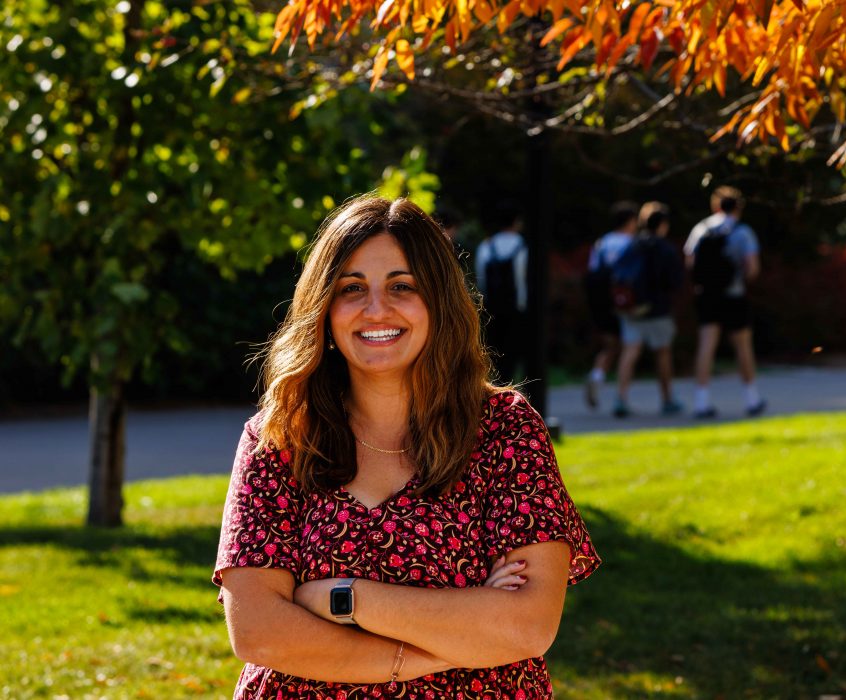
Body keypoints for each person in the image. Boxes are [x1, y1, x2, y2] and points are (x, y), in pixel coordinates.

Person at [213, 196, 599, 699]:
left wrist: (343, 598)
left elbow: (525, 627)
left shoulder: (504, 430)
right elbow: (258, 631)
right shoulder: (281, 437)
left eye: (402, 286)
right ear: (323, 310)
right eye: (352, 288)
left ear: (438, 300)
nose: (377, 309)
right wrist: (440, 647)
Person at [683, 185, 766, 419]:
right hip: (734, 295)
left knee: (706, 346)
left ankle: (701, 402)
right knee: (742, 346)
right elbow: (752, 267)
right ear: (738, 208)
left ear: (716, 206)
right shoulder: (742, 231)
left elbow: (690, 263)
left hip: (707, 296)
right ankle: (751, 399)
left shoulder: (701, 229)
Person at [612, 201, 684, 418]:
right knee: (662, 353)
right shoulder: (665, 249)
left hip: (631, 307)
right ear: (663, 224)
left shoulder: (632, 245)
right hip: (657, 310)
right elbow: (675, 282)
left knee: (630, 351)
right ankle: (667, 399)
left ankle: (621, 398)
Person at [584, 201, 638, 409]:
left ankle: (597, 375)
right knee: (629, 345)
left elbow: (592, 271)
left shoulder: (602, 243)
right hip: (624, 301)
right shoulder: (631, 243)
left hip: (601, 301)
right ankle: (621, 396)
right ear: (631, 221)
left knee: (610, 345)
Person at [474, 201, 528, 383]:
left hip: (492, 307)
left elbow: (481, 278)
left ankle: (494, 387)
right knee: (512, 352)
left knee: (493, 351)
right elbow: (522, 279)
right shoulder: (522, 246)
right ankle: (509, 386)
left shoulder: (486, 246)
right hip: (515, 307)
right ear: (516, 222)